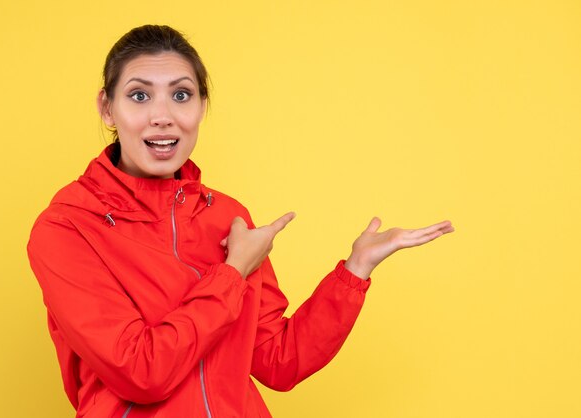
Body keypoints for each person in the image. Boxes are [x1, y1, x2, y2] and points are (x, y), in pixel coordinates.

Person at [27, 24, 454, 418]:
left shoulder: (226, 217)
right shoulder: (67, 227)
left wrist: (355, 270)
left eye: (181, 95)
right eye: (139, 95)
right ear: (107, 108)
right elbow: (142, 371)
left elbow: (277, 362)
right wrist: (232, 273)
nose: (163, 115)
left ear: (201, 107)